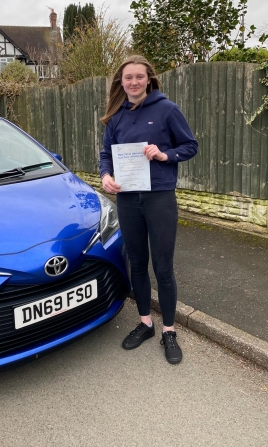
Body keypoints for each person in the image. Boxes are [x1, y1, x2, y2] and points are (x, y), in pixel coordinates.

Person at [99, 55, 198, 364]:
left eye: (139, 77)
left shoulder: (167, 110)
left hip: (160, 199)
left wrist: (165, 155)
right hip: (127, 200)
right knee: (138, 265)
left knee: (163, 267)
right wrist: (105, 177)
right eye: (128, 77)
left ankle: (169, 330)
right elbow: (106, 155)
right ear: (121, 82)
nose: (134, 82)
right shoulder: (116, 117)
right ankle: (145, 323)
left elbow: (190, 146)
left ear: (149, 79)